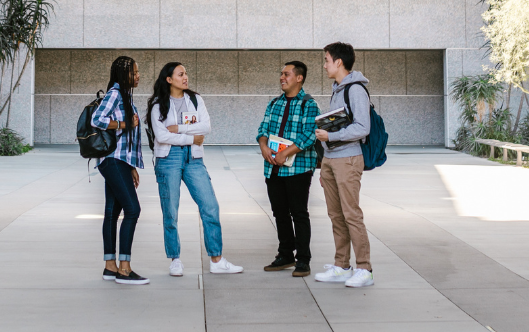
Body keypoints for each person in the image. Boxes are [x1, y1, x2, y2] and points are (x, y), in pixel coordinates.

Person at [147, 62, 244, 277]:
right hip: (168, 158)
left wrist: (180, 129)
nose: (185, 77)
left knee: (210, 205)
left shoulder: (195, 99)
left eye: (186, 73)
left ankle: (216, 259)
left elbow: (206, 127)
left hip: (194, 159)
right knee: (170, 211)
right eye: (180, 74)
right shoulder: (158, 104)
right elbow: (161, 136)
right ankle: (175, 259)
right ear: (169, 79)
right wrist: (191, 137)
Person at [313, 42, 374, 288]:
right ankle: (342, 265)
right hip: (331, 159)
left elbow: (362, 127)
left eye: (327, 60)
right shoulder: (337, 89)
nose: (325, 64)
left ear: (339, 62)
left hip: (348, 159)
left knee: (351, 215)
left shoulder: (355, 89)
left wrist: (331, 137)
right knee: (336, 215)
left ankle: (364, 269)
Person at [256, 61, 320, 277]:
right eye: (281, 74)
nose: (282, 77)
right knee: (279, 213)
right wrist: (263, 145)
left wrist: (286, 152)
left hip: (298, 169)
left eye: (286, 74)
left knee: (299, 213)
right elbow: (263, 128)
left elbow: (310, 134)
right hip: (273, 168)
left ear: (299, 78)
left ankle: (303, 259)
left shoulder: (309, 104)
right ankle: (285, 255)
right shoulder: (274, 103)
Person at [91, 55, 149, 285]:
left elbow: (129, 140)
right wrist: (125, 124)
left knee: (113, 213)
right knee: (133, 210)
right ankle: (124, 269)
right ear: (123, 74)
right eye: (134, 72)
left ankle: (109, 266)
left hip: (120, 161)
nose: (138, 76)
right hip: (113, 160)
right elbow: (97, 119)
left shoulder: (125, 96)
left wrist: (132, 166)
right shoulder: (115, 94)